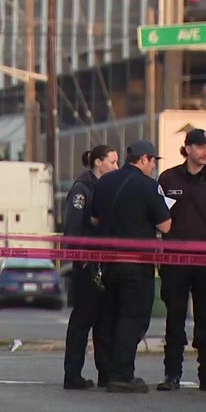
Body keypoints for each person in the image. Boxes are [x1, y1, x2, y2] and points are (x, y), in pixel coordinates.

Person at [155, 129, 206, 393]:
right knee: (174, 319)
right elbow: (157, 217)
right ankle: (172, 374)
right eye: (200, 146)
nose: (205, 151)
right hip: (176, 260)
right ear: (187, 148)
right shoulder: (168, 179)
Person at [91, 140, 172, 394]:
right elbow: (165, 225)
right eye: (153, 161)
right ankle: (123, 374)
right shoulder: (149, 186)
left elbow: (94, 218)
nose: (154, 167)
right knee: (132, 317)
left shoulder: (105, 182)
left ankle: (106, 372)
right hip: (137, 264)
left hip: (108, 262)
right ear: (144, 159)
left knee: (109, 316)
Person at [60, 144, 119, 390]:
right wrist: (79, 257)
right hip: (86, 264)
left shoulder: (106, 187)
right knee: (82, 320)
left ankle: (106, 372)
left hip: (103, 262)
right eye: (112, 162)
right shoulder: (82, 189)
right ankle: (73, 374)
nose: (116, 166)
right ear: (98, 162)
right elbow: (73, 227)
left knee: (104, 319)